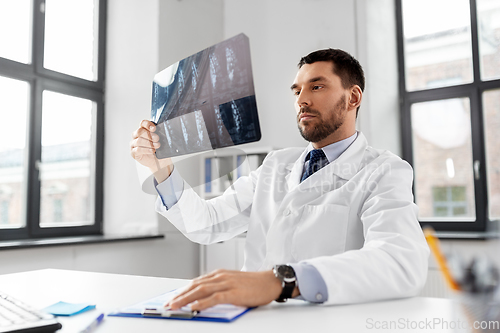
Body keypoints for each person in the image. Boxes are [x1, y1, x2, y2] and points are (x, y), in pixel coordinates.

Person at [130, 48, 429, 311]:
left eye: (317, 86)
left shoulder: (385, 170)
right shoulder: (276, 165)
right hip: (256, 318)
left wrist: (283, 281)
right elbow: (209, 224)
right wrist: (162, 169)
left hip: (326, 320)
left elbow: (399, 261)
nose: (302, 100)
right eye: (297, 90)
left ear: (352, 97)